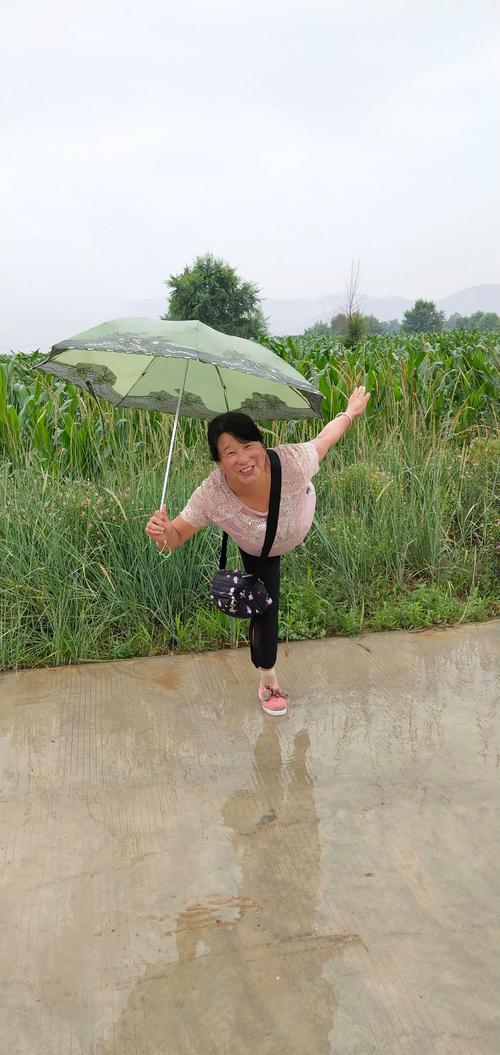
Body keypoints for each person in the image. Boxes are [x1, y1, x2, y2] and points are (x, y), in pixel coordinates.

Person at [145, 385, 370, 716]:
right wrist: (160, 532)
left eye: (248, 445)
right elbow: (174, 538)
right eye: (230, 452)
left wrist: (349, 413)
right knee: (264, 605)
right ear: (219, 462)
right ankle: (268, 679)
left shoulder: (291, 462)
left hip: (295, 519)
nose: (243, 458)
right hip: (257, 545)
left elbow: (325, 439)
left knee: (267, 593)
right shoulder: (212, 494)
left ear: (262, 445)